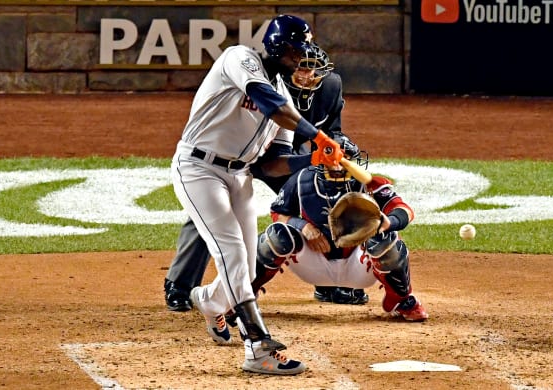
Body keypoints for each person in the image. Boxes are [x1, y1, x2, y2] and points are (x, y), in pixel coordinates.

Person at [170, 15, 343, 376]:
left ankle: (207, 299)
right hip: (198, 169)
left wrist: (313, 159)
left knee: (246, 268)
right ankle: (258, 346)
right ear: (279, 47)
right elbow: (267, 102)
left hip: (239, 176)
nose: (302, 59)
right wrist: (317, 136)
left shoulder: (283, 96)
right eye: (297, 50)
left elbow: (271, 165)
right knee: (230, 249)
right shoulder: (240, 59)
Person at [164, 44, 367, 313]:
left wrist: (330, 157)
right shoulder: (267, 80)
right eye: (301, 64)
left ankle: (328, 279)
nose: (306, 73)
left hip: (286, 156)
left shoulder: (328, 87)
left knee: (321, 198)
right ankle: (180, 284)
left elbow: (333, 132)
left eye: (312, 68)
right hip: (244, 153)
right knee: (213, 212)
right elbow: (276, 116)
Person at [250, 133, 429, 323]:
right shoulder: (301, 180)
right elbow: (278, 214)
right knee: (276, 235)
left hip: (358, 266)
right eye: (335, 161)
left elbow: (404, 210)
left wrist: (390, 222)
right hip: (313, 263)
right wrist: (302, 226)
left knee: (386, 238)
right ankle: (246, 294)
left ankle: (401, 300)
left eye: (347, 160)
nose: (340, 165)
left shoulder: (370, 184)